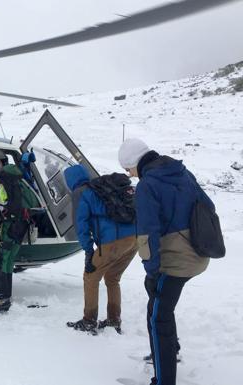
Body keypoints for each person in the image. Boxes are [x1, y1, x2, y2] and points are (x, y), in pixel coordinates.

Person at [118, 138, 213, 385]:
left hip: (176, 263)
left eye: (128, 169)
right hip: (199, 253)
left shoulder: (147, 186)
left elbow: (146, 234)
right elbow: (208, 206)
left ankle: (163, 380)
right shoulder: (181, 172)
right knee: (157, 306)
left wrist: (152, 271)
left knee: (158, 316)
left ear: (135, 163)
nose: (130, 174)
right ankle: (169, 350)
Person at [63, 164, 138, 334]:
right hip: (135, 237)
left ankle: (89, 321)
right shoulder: (101, 187)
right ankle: (114, 319)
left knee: (90, 277)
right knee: (112, 278)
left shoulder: (81, 193)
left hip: (113, 242)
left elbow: (81, 225)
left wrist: (89, 252)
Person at [0, 150, 39, 314]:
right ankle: (3, 295)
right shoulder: (16, 177)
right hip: (23, 224)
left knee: (2, 259)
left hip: (10, 226)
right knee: (8, 258)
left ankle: (3, 298)